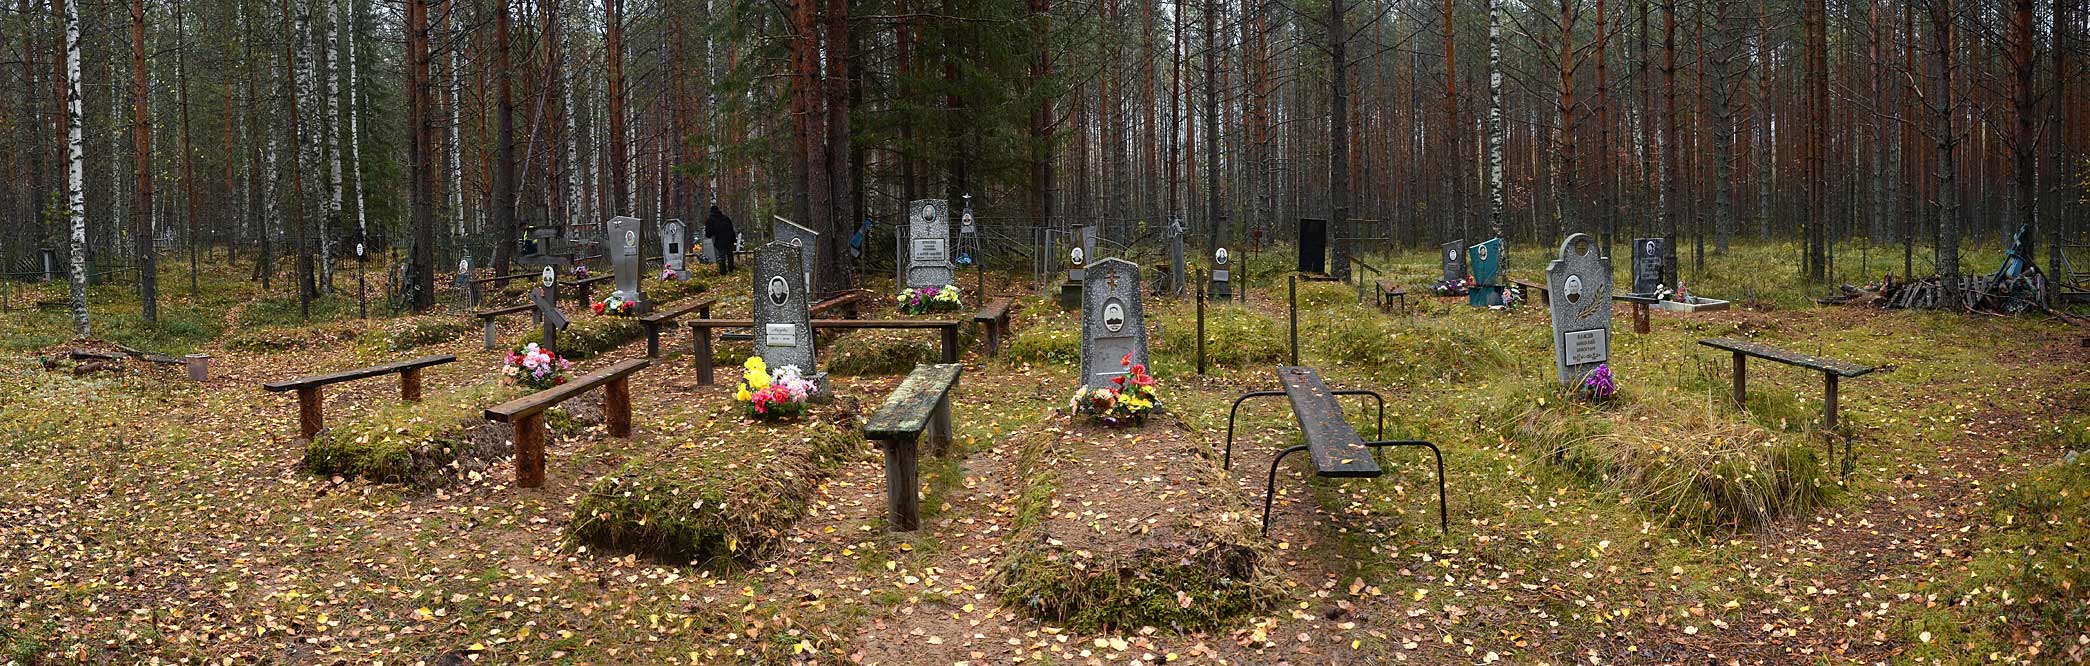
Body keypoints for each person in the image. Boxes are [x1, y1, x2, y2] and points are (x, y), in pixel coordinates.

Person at [704, 204, 738, 274]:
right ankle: (731, 269)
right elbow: (731, 229)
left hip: (720, 239)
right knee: (730, 254)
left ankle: (723, 272)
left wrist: (709, 235)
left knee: (721, 255)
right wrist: (734, 239)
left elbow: (709, 232)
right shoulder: (725, 218)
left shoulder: (710, 220)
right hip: (729, 239)